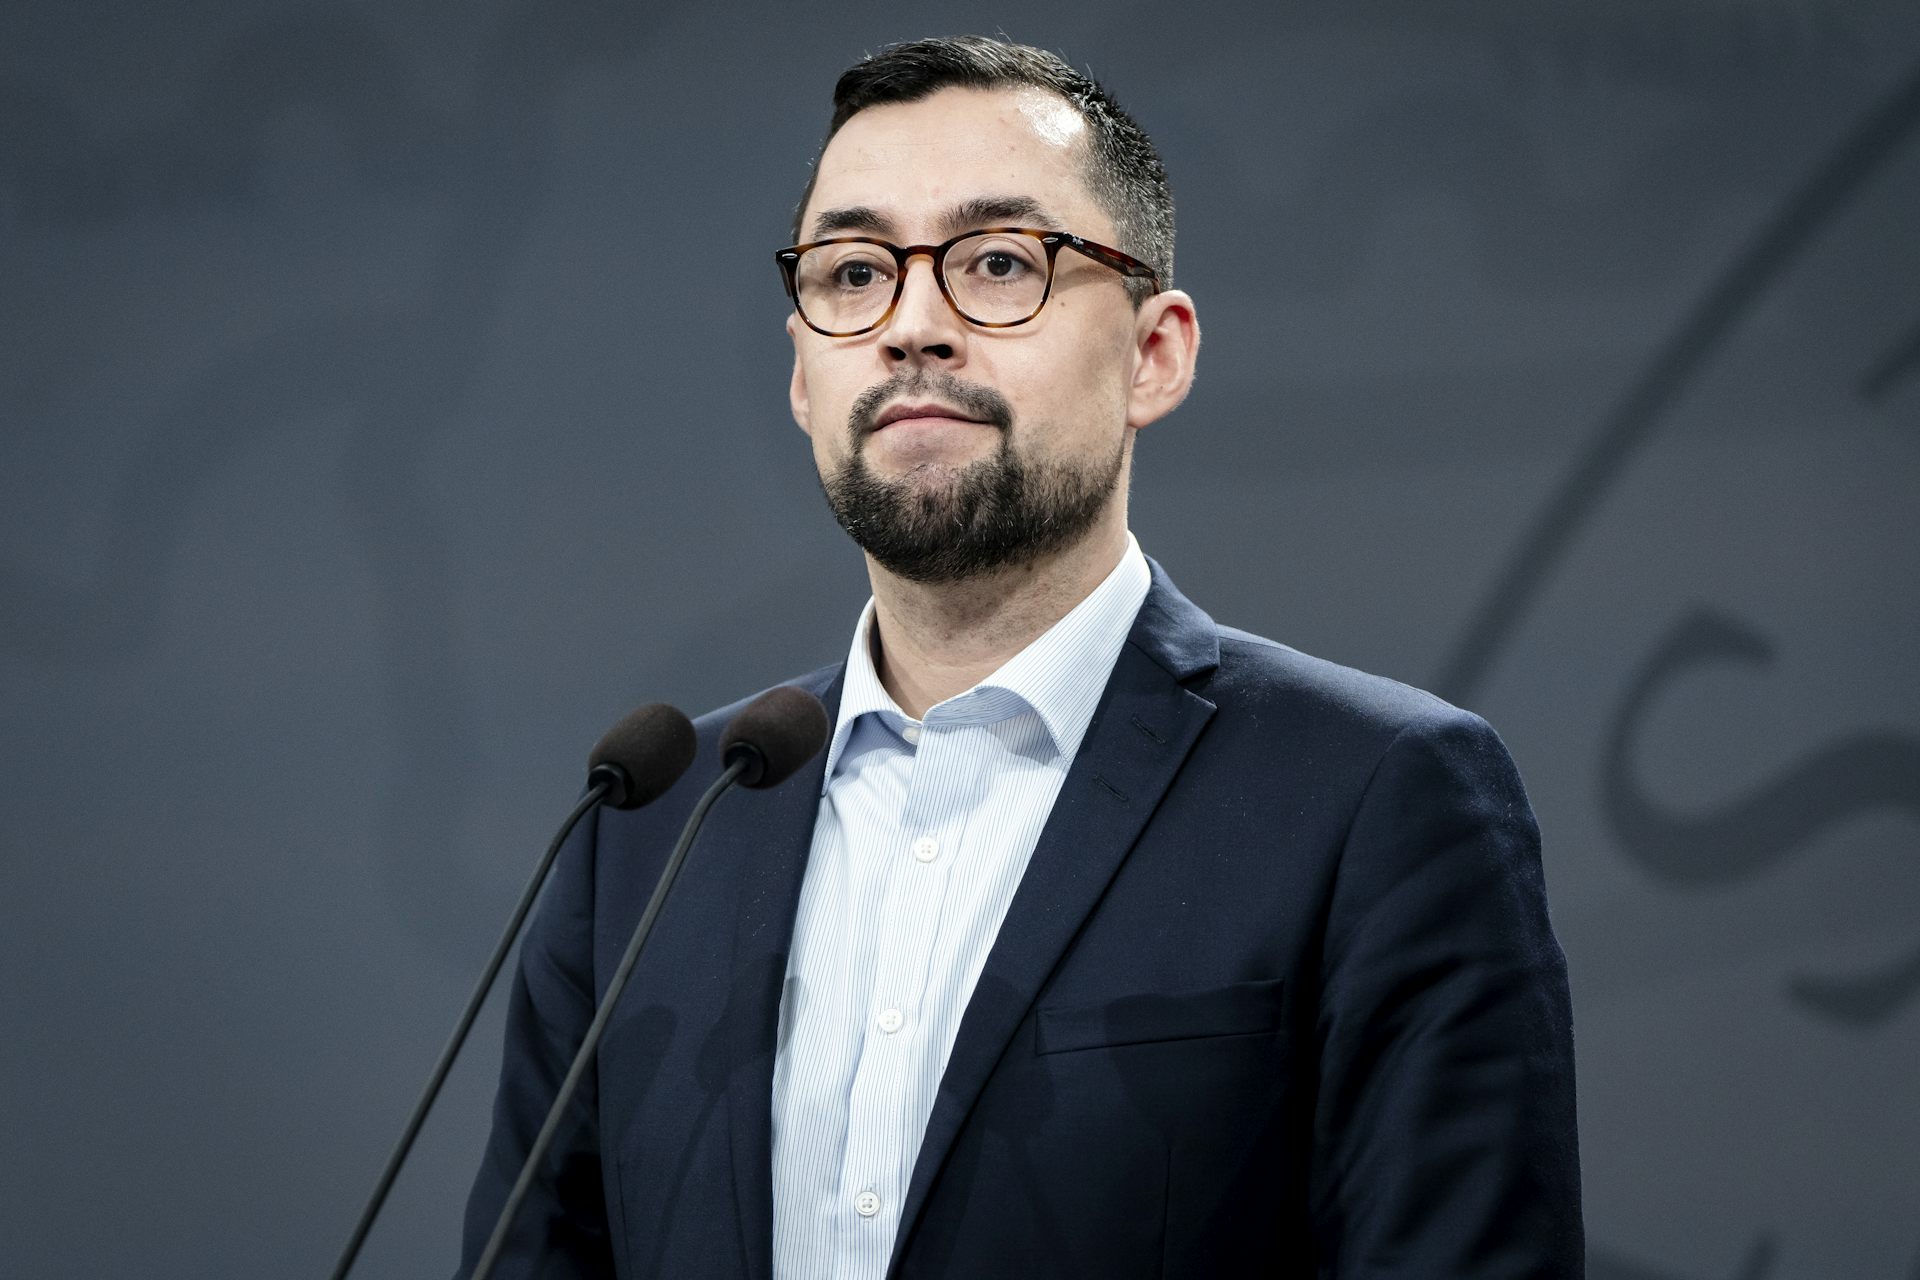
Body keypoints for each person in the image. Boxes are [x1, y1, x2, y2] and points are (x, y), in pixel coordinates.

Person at [461, 35, 1583, 1279]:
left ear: (1155, 352)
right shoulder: (648, 829)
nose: (913, 327)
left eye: (1000, 262)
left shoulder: (1378, 798)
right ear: (801, 371)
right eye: (853, 272)